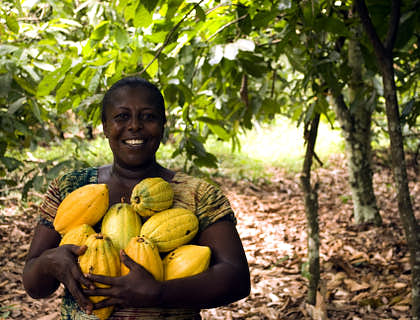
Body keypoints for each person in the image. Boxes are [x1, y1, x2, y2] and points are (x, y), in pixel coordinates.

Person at [22, 76, 251, 320]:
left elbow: (236, 279)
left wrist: (159, 292)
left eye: (148, 116)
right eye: (122, 117)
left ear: (163, 125)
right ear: (105, 126)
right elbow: (34, 285)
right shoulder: (70, 187)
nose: (134, 126)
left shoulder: (199, 195)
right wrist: (49, 263)